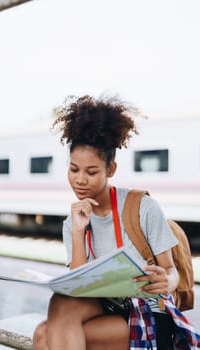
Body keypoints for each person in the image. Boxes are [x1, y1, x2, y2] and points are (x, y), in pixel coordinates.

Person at [32, 95, 196, 350]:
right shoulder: (72, 220)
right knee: (59, 305)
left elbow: (172, 272)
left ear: (111, 170)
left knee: (45, 335)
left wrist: (168, 281)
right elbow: (79, 289)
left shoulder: (142, 207)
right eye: (74, 169)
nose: (80, 180)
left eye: (92, 172)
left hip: (148, 310)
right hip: (105, 306)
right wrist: (78, 231)